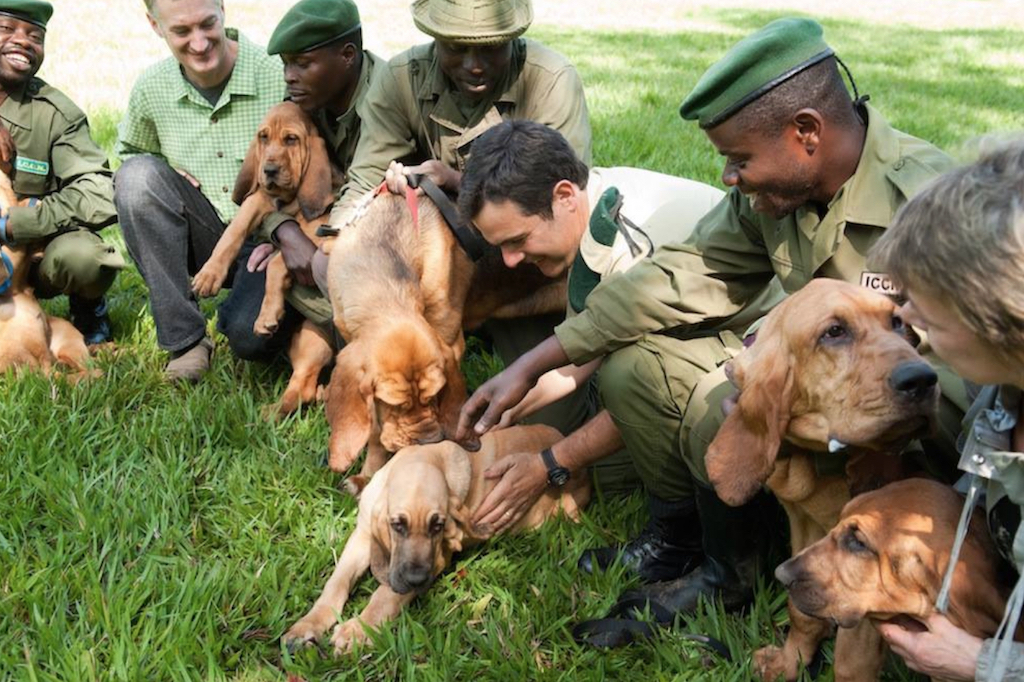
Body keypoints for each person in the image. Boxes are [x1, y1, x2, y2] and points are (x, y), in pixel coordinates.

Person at [457, 17, 967, 625]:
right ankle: (721, 564)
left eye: (739, 159)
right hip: (822, 399)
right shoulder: (773, 200)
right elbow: (679, 278)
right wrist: (536, 361)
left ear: (806, 133)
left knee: (717, 401)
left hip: (928, 447)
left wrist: (851, 425)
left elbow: (967, 383)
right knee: (639, 370)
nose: (728, 177)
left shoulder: (933, 204)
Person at [453, 120, 757, 576]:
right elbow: (583, 350)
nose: (512, 261)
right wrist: (507, 408)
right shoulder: (593, 213)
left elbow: (649, 383)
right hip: (689, 346)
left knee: (615, 422)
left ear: (563, 197)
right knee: (602, 463)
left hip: (751, 350)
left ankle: (682, 541)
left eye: (517, 241)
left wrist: (549, 465)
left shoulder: (637, 242)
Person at [323, 0, 593, 436]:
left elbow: (564, 202)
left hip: (521, 273)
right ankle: (373, 419)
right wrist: (336, 243)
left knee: (543, 421)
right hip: (419, 280)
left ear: (513, 38)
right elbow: (362, 186)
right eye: (456, 48)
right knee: (333, 277)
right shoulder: (399, 78)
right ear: (433, 38)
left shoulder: (551, 80)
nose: (474, 65)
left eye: (490, 49)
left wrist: (457, 182)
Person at [871, 140, 1024, 682]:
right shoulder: (1003, 389)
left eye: (928, 296)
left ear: (997, 313)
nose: (906, 310)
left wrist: (979, 664)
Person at [115, 0, 290, 383]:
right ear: (155, 25)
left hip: (268, 237)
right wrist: (163, 169)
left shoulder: (277, 74)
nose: (198, 43)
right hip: (202, 229)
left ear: (223, 10)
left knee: (252, 338)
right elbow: (131, 154)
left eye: (207, 24)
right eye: (181, 31)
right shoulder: (152, 87)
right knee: (136, 178)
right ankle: (186, 340)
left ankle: (265, 315)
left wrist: (289, 234)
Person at [247, 0, 380, 332]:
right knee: (244, 334)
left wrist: (313, 244)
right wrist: (283, 231)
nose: (290, 77)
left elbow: (371, 204)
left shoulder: (387, 98)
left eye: (302, 64)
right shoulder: (305, 96)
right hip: (306, 232)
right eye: (286, 65)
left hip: (367, 244)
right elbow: (266, 178)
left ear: (348, 55)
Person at [0, 0, 121, 345]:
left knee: (86, 259)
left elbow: (99, 193)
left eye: (35, 35)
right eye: (6, 29)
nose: (23, 41)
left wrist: (15, 224)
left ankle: (87, 310)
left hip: (29, 253)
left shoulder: (55, 114)